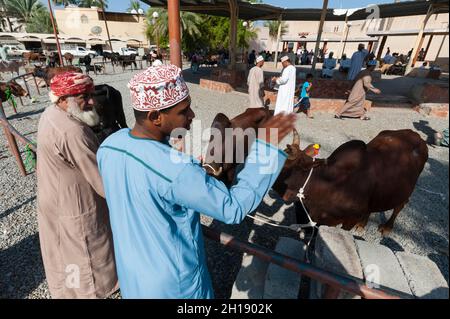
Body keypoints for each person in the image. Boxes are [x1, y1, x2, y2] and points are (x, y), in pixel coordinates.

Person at [96, 64, 297, 298]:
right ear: (155, 116)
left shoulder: (111, 145)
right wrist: (266, 146)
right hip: (174, 284)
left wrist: (190, 170)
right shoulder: (178, 170)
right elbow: (232, 209)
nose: (192, 115)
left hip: (133, 274)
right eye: (184, 110)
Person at [36, 72, 118, 299]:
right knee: (86, 254)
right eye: (84, 97)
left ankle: (70, 291)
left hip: (56, 198)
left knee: (65, 252)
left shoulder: (50, 114)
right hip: (76, 205)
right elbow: (101, 183)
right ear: (63, 99)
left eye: (90, 94)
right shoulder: (73, 131)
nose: (91, 101)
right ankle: (95, 292)